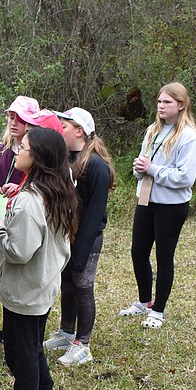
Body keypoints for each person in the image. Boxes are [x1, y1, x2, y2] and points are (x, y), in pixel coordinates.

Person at [0, 126, 78, 390]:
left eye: (23, 147)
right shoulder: (57, 190)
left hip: (25, 289)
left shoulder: (31, 201)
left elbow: (19, 251)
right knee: (32, 344)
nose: (16, 150)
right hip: (43, 284)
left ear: (37, 157)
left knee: (19, 354)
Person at [119, 82, 196, 329]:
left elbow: (186, 177)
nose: (161, 106)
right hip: (146, 199)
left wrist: (152, 169)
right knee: (137, 252)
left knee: (164, 256)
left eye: (167, 102)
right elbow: (145, 164)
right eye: (159, 102)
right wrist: (139, 169)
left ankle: (158, 311)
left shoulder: (188, 136)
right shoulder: (153, 130)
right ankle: (144, 301)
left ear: (181, 105)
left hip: (171, 206)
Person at [44, 108, 115, 366]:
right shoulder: (66, 160)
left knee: (83, 286)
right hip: (68, 234)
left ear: (79, 131)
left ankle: (82, 344)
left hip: (87, 237)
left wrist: (81, 250)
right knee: (67, 284)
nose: (59, 129)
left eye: (64, 126)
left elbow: (95, 212)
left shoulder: (96, 165)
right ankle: (66, 332)